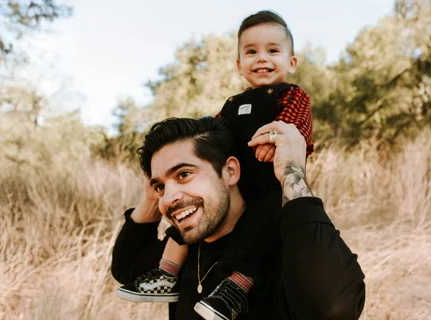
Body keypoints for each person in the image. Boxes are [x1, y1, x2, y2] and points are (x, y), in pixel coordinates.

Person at [115, 10, 315, 320]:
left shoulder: (292, 96)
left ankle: (235, 287)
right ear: (239, 65)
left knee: (259, 230)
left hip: (269, 187)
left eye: (273, 50)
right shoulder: (232, 104)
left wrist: (274, 140)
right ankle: (167, 273)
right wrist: (159, 187)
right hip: (234, 188)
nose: (262, 58)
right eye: (251, 52)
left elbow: (295, 129)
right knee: (181, 224)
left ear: (291, 63)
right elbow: (212, 136)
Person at [110, 117, 365, 319]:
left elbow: (333, 309)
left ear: (230, 171)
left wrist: (292, 173)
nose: (169, 197)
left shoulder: (280, 251)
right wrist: (151, 199)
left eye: (184, 174)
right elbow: (126, 268)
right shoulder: (184, 251)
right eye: (160, 186)